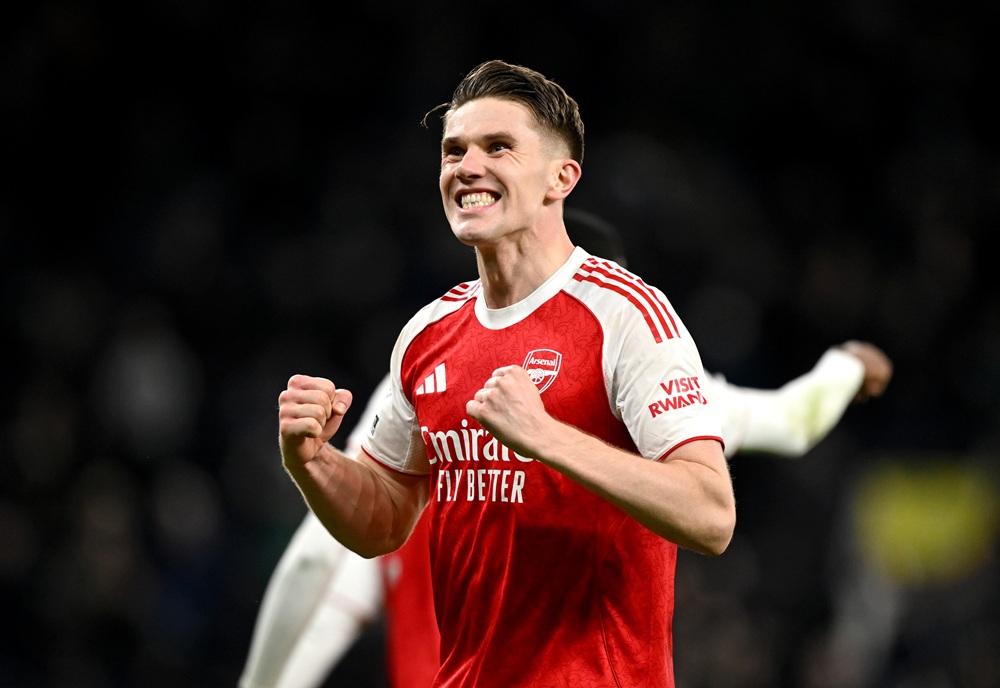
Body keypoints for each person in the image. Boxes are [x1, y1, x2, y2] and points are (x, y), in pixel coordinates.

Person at [242, 202, 893, 688]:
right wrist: (845, 369)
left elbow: (321, 570)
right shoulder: (660, 384)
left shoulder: (417, 383)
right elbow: (792, 419)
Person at [275, 59, 737, 688]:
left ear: (561, 178)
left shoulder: (625, 315)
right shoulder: (428, 334)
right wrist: (313, 462)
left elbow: (711, 515)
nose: (467, 167)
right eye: (454, 151)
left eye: (498, 147)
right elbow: (383, 519)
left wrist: (546, 437)